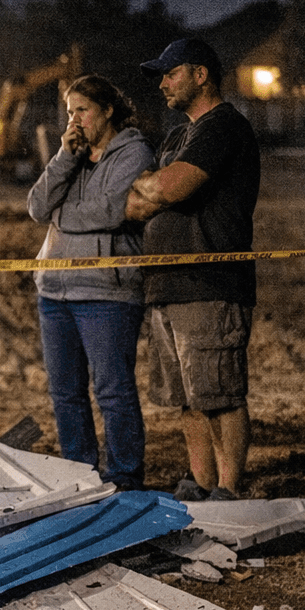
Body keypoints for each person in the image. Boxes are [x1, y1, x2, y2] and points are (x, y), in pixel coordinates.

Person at [126, 38, 261, 501]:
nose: (162, 83)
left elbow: (171, 188)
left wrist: (154, 186)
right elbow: (134, 204)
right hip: (168, 284)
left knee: (219, 394)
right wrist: (151, 189)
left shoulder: (223, 127)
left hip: (210, 284)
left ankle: (228, 488)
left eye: (171, 73)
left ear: (201, 74)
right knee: (187, 398)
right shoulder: (176, 136)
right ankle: (200, 484)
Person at [27, 75, 156, 491]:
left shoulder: (134, 152)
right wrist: (64, 157)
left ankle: (124, 479)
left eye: (82, 110)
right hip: (55, 290)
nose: (74, 120)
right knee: (65, 393)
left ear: (108, 110)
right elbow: (36, 206)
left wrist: (62, 215)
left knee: (113, 391)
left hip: (106, 291)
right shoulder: (73, 155)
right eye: (69, 112)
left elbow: (109, 212)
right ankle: (79, 476)